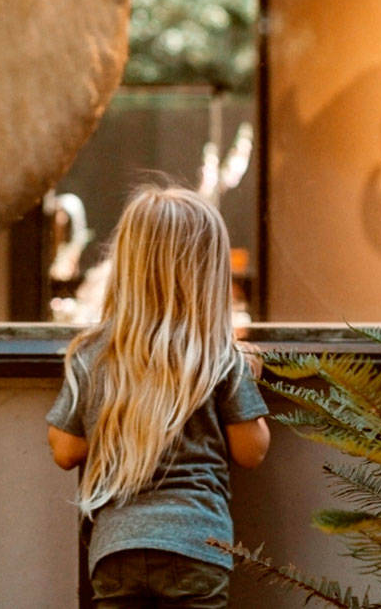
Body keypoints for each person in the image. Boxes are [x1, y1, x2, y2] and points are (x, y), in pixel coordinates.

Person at [46, 185, 269, 608]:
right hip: (197, 546)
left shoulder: (94, 355)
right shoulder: (219, 357)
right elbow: (251, 451)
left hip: (116, 549)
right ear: (209, 273)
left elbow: (65, 450)